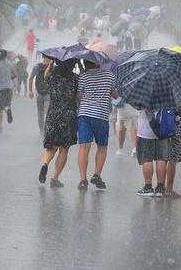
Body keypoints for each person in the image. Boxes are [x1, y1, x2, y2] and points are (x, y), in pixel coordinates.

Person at [76, 61, 118, 190]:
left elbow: (78, 96)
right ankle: (97, 175)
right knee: (102, 147)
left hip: (85, 115)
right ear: (99, 63)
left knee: (84, 147)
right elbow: (116, 95)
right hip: (101, 115)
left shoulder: (83, 76)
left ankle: (83, 180)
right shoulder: (109, 75)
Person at [38, 59, 79, 187]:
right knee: (64, 148)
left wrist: (50, 66)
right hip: (68, 115)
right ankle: (55, 178)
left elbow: (45, 77)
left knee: (51, 146)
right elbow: (78, 97)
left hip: (53, 114)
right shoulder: (75, 79)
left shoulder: (53, 77)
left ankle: (45, 164)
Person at [135, 110, 169, 197]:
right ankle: (160, 188)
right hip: (163, 129)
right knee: (161, 159)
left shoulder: (143, 96)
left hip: (145, 130)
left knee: (147, 159)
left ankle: (148, 187)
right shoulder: (166, 95)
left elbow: (137, 106)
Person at [28, 54, 52, 134]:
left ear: (43, 58)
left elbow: (31, 78)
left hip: (39, 92)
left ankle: (42, 131)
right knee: (47, 112)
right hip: (48, 93)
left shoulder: (37, 67)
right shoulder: (52, 67)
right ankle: (47, 129)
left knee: (40, 113)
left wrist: (30, 91)